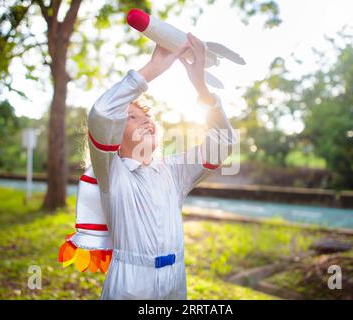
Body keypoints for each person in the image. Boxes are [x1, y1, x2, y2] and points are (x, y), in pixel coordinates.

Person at [58, 33, 238, 299]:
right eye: (132, 117)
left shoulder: (174, 170)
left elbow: (224, 142)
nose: (145, 120)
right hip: (130, 285)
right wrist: (154, 68)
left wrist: (201, 88)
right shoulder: (111, 172)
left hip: (175, 281)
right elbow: (103, 113)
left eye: (147, 115)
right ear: (114, 134)